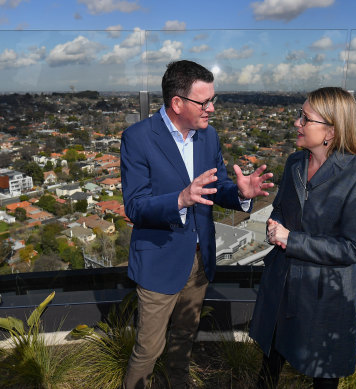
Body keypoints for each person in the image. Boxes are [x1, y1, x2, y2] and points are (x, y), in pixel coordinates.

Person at [121, 60, 273, 389]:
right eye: (204, 102)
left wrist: (242, 195)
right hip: (159, 260)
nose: (212, 108)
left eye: (212, 99)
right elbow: (135, 206)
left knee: (183, 341)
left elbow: (215, 189)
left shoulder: (209, 136)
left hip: (200, 260)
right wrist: (179, 199)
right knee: (149, 349)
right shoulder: (138, 138)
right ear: (177, 103)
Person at [249, 87, 356, 389]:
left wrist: (290, 239)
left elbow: (355, 247)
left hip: (323, 293)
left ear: (331, 131)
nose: (297, 123)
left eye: (305, 118)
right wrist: (276, 226)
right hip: (283, 282)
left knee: (322, 375)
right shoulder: (296, 162)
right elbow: (282, 208)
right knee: (268, 367)